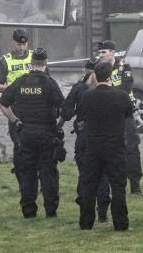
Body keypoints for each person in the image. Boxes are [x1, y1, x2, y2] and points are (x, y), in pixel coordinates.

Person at [0, 47, 65, 219]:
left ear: (31, 63)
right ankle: (51, 211)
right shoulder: (49, 83)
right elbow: (64, 108)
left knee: (27, 172)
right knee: (48, 172)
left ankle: (29, 211)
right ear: (46, 62)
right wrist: (58, 125)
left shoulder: (21, 81)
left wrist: (15, 121)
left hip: (26, 132)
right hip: (46, 132)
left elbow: (3, 104)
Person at [75, 60, 133, 231]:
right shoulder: (121, 96)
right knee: (118, 186)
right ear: (110, 77)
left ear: (95, 76)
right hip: (115, 147)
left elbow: (81, 116)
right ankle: (121, 223)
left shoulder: (86, 96)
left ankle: (85, 223)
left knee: (89, 185)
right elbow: (128, 113)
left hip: (93, 147)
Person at [62, 57, 112, 224]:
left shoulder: (79, 89)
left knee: (85, 176)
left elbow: (66, 113)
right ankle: (103, 211)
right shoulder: (109, 90)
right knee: (103, 175)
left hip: (84, 137)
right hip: (104, 137)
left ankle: (85, 211)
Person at [97, 40, 143, 194]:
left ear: (112, 52)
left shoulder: (124, 67)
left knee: (131, 149)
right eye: (99, 53)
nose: (100, 55)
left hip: (125, 114)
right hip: (106, 115)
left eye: (103, 52)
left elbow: (126, 88)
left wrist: (107, 91)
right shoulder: (98, 68)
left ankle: (135, 185)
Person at [0, 28, 34, 183]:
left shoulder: (34, 57)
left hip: (34, 105)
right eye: (18, 44)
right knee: (19, 143)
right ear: (13, 43)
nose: (21, 48)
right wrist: (15, 88)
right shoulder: (5, 60)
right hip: (16, 106)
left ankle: (35, 176)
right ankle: (21, 177)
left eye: (24, 45)